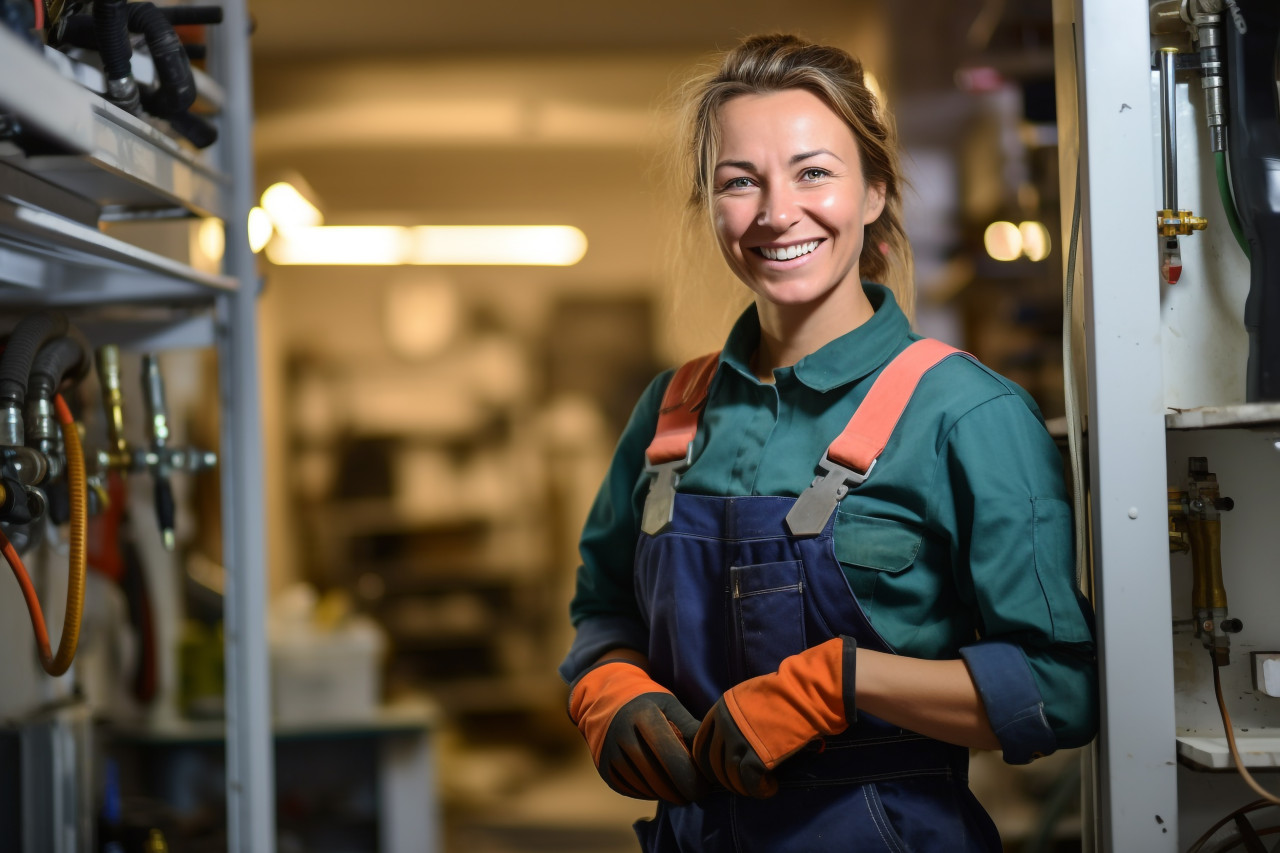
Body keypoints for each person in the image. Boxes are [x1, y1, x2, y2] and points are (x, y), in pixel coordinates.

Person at [559, 33, 1098, 853]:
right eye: (741, 182)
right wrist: (608, 685)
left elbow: (1059, 690)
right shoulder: (670, 413)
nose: (778, 214)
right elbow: (602, 607)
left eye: (814, 171)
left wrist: (840, 683)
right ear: (711, 206)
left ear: (876, 189)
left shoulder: (967, 414)